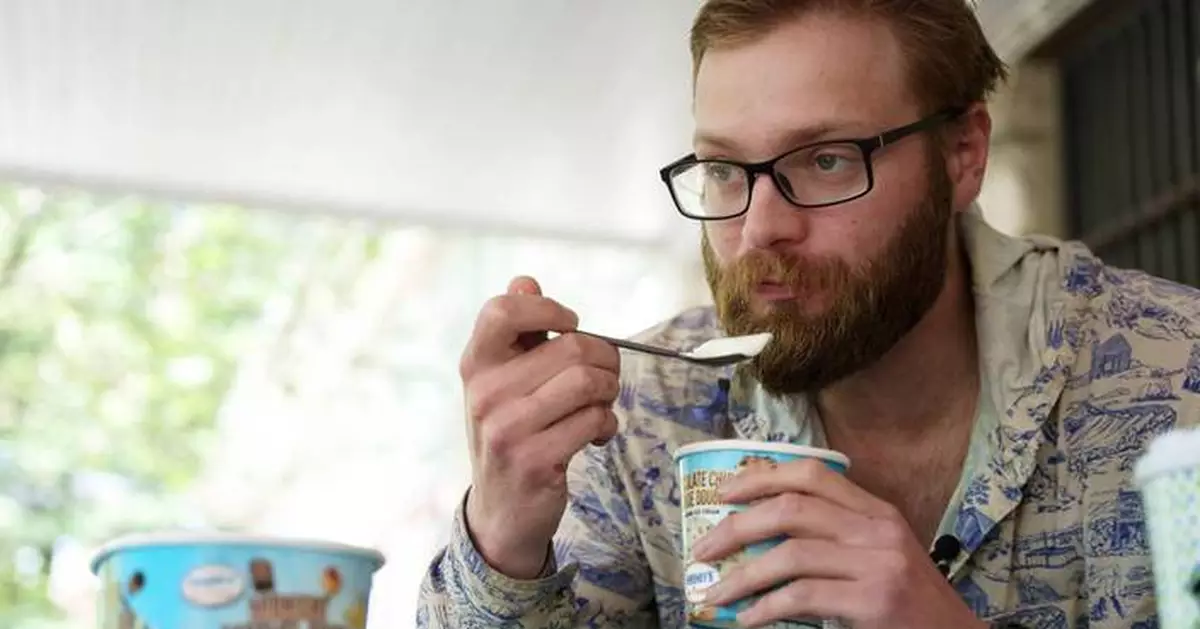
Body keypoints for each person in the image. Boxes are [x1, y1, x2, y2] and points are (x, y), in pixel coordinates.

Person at [417, 0, 1200, 627]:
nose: (759, 230)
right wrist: (504, 537)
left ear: (963, 154)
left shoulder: (1173, 380)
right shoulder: (641, 416)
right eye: (726, 169)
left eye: (825, 160)